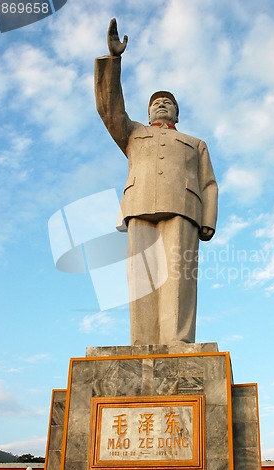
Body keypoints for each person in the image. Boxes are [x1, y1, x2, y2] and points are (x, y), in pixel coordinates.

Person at [95, 19, 218, 346]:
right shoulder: (132, 133)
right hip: (140, 205)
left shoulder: (195, 142)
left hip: (183, 207)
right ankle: (143, 341)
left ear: (177, 113)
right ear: (147, 113)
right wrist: (114, 61)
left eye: (167, 102)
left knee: (178, 279)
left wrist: (208, 221)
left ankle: (178, 341)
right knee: (141, 279)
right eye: (155, 102)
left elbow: (209, 184)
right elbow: (109, 109)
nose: (161, 104)